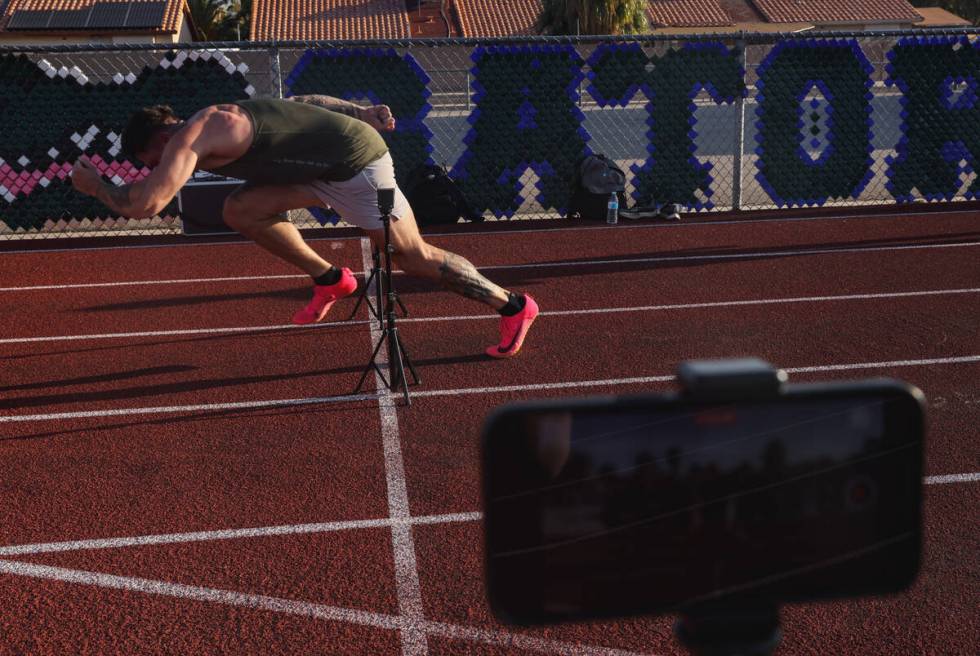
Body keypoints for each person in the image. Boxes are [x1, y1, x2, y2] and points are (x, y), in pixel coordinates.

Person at [70, 96, 538, 358]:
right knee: (241, 209)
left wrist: (95, 188)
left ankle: (514, 306)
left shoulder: (200, 134)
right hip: (314, 170)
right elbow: (303, 103)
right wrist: (359, 108)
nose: (158, 169)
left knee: (411, 257)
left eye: (154, 162)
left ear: (162, 141)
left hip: (357, 166)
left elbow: (150, 202)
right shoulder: (217, 124)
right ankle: (332, 279)